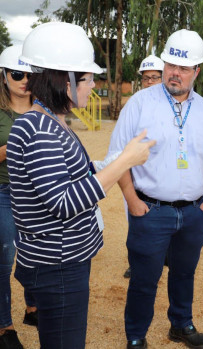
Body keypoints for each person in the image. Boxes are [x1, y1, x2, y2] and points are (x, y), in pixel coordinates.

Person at [6, 22, 154, 349]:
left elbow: (68, 178)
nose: (93, 86)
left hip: (62, 260)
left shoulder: (49, 121)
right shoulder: (40, 129)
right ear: (65, 81)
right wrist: (124, 161)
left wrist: (107, 163)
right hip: (58, 266)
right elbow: (63, 201)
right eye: (88, 79)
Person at [107, 29, 203, 349]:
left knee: (184, 274)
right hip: (150, 211)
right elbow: (117, 157)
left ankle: (181, 325)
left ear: (197, 71)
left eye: (184, 67)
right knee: (144, 280)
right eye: (170, 64)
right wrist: (132, 201)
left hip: (195, 212)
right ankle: (135, 336)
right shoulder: (139, 104)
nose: (175, 72)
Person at [0, 45, 37, 349]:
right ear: (4, 76)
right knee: (4, 258)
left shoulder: (43, 108)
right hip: (4, 193)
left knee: (38, 255)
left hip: (37, 193)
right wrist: (14, 144)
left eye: (30, 74)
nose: (24, 79)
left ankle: (33, 308)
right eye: (17, 73)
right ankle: (4, 327)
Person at [123, 54, 166, 279]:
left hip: (163, 177)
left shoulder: (173, 104)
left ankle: (163, 258)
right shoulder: (133, 104)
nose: (150, 82)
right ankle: (135, 263)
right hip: (136, 177)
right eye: (146, 78)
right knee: (136, 224)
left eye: (155, 77)